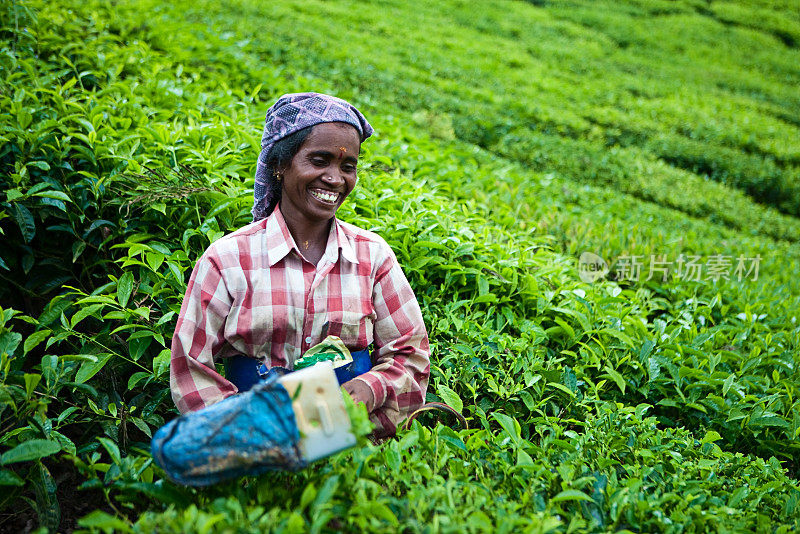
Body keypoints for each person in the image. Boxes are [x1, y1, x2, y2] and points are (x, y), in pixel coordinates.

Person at [169, 92, 430, 437]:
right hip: (253, 441)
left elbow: (410, 354)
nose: (335, 178)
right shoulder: (228, 259)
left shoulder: (372, 256)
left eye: (347, 166)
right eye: (319, 160)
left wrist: (372, 388)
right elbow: (190, 366)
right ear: (279, 164)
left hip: (351, 441)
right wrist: (245, 435)